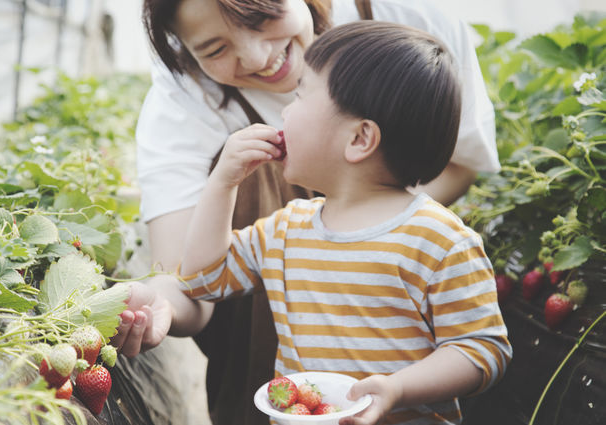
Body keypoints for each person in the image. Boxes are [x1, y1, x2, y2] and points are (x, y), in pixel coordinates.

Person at [112, 1, 500, 423]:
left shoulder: (441, 241)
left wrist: (398, 388)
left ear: (360, 139)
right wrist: (222, 184)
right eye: (214, 49)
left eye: (300, 97)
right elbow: (200, 277)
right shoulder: (287, 229)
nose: (258, 58)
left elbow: (482, 347)